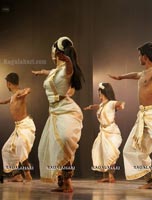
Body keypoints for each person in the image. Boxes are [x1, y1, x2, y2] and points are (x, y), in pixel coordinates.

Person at [109, 42, 152, 190]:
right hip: (142, 116)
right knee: (129, 149)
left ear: (145, 57)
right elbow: (135, 74)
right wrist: (120, 77)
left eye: (139, 55)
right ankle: (151, 180)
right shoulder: (143, 73)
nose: (138, 58)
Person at [32, 36, 84, 192]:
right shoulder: (55, 71)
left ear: (56, 51)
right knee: (52, 149)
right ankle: (63, 183)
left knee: (65, 140)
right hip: (54, 113)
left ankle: (67, 181)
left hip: (66, 110)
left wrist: (67, 60)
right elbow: (53, 72)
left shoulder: (67, 68)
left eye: (52, 49)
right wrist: (42, 71)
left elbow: (69, 69)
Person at [83, 82, 125, 183]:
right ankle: (105, 175)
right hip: (103, 132)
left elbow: (120, 103)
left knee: (110, 153)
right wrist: (92, 107)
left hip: (112, 132)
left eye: (100, 93)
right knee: (100, 152)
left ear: (104, 92)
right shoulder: (102, 104)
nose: (99, 95)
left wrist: (121, 106)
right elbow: (100, 107)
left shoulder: (111, 103)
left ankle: (111, 175)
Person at [0, 73, 35, 183]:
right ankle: (17, 175)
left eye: (6, 83)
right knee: (6, 150)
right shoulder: (12, 97)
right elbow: (4, 101)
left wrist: (25, 92)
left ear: (8, 83)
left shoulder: (20, 92)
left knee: (20, 146)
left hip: (25, 126)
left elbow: (28, 89)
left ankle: (27, 173)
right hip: (18, 128)